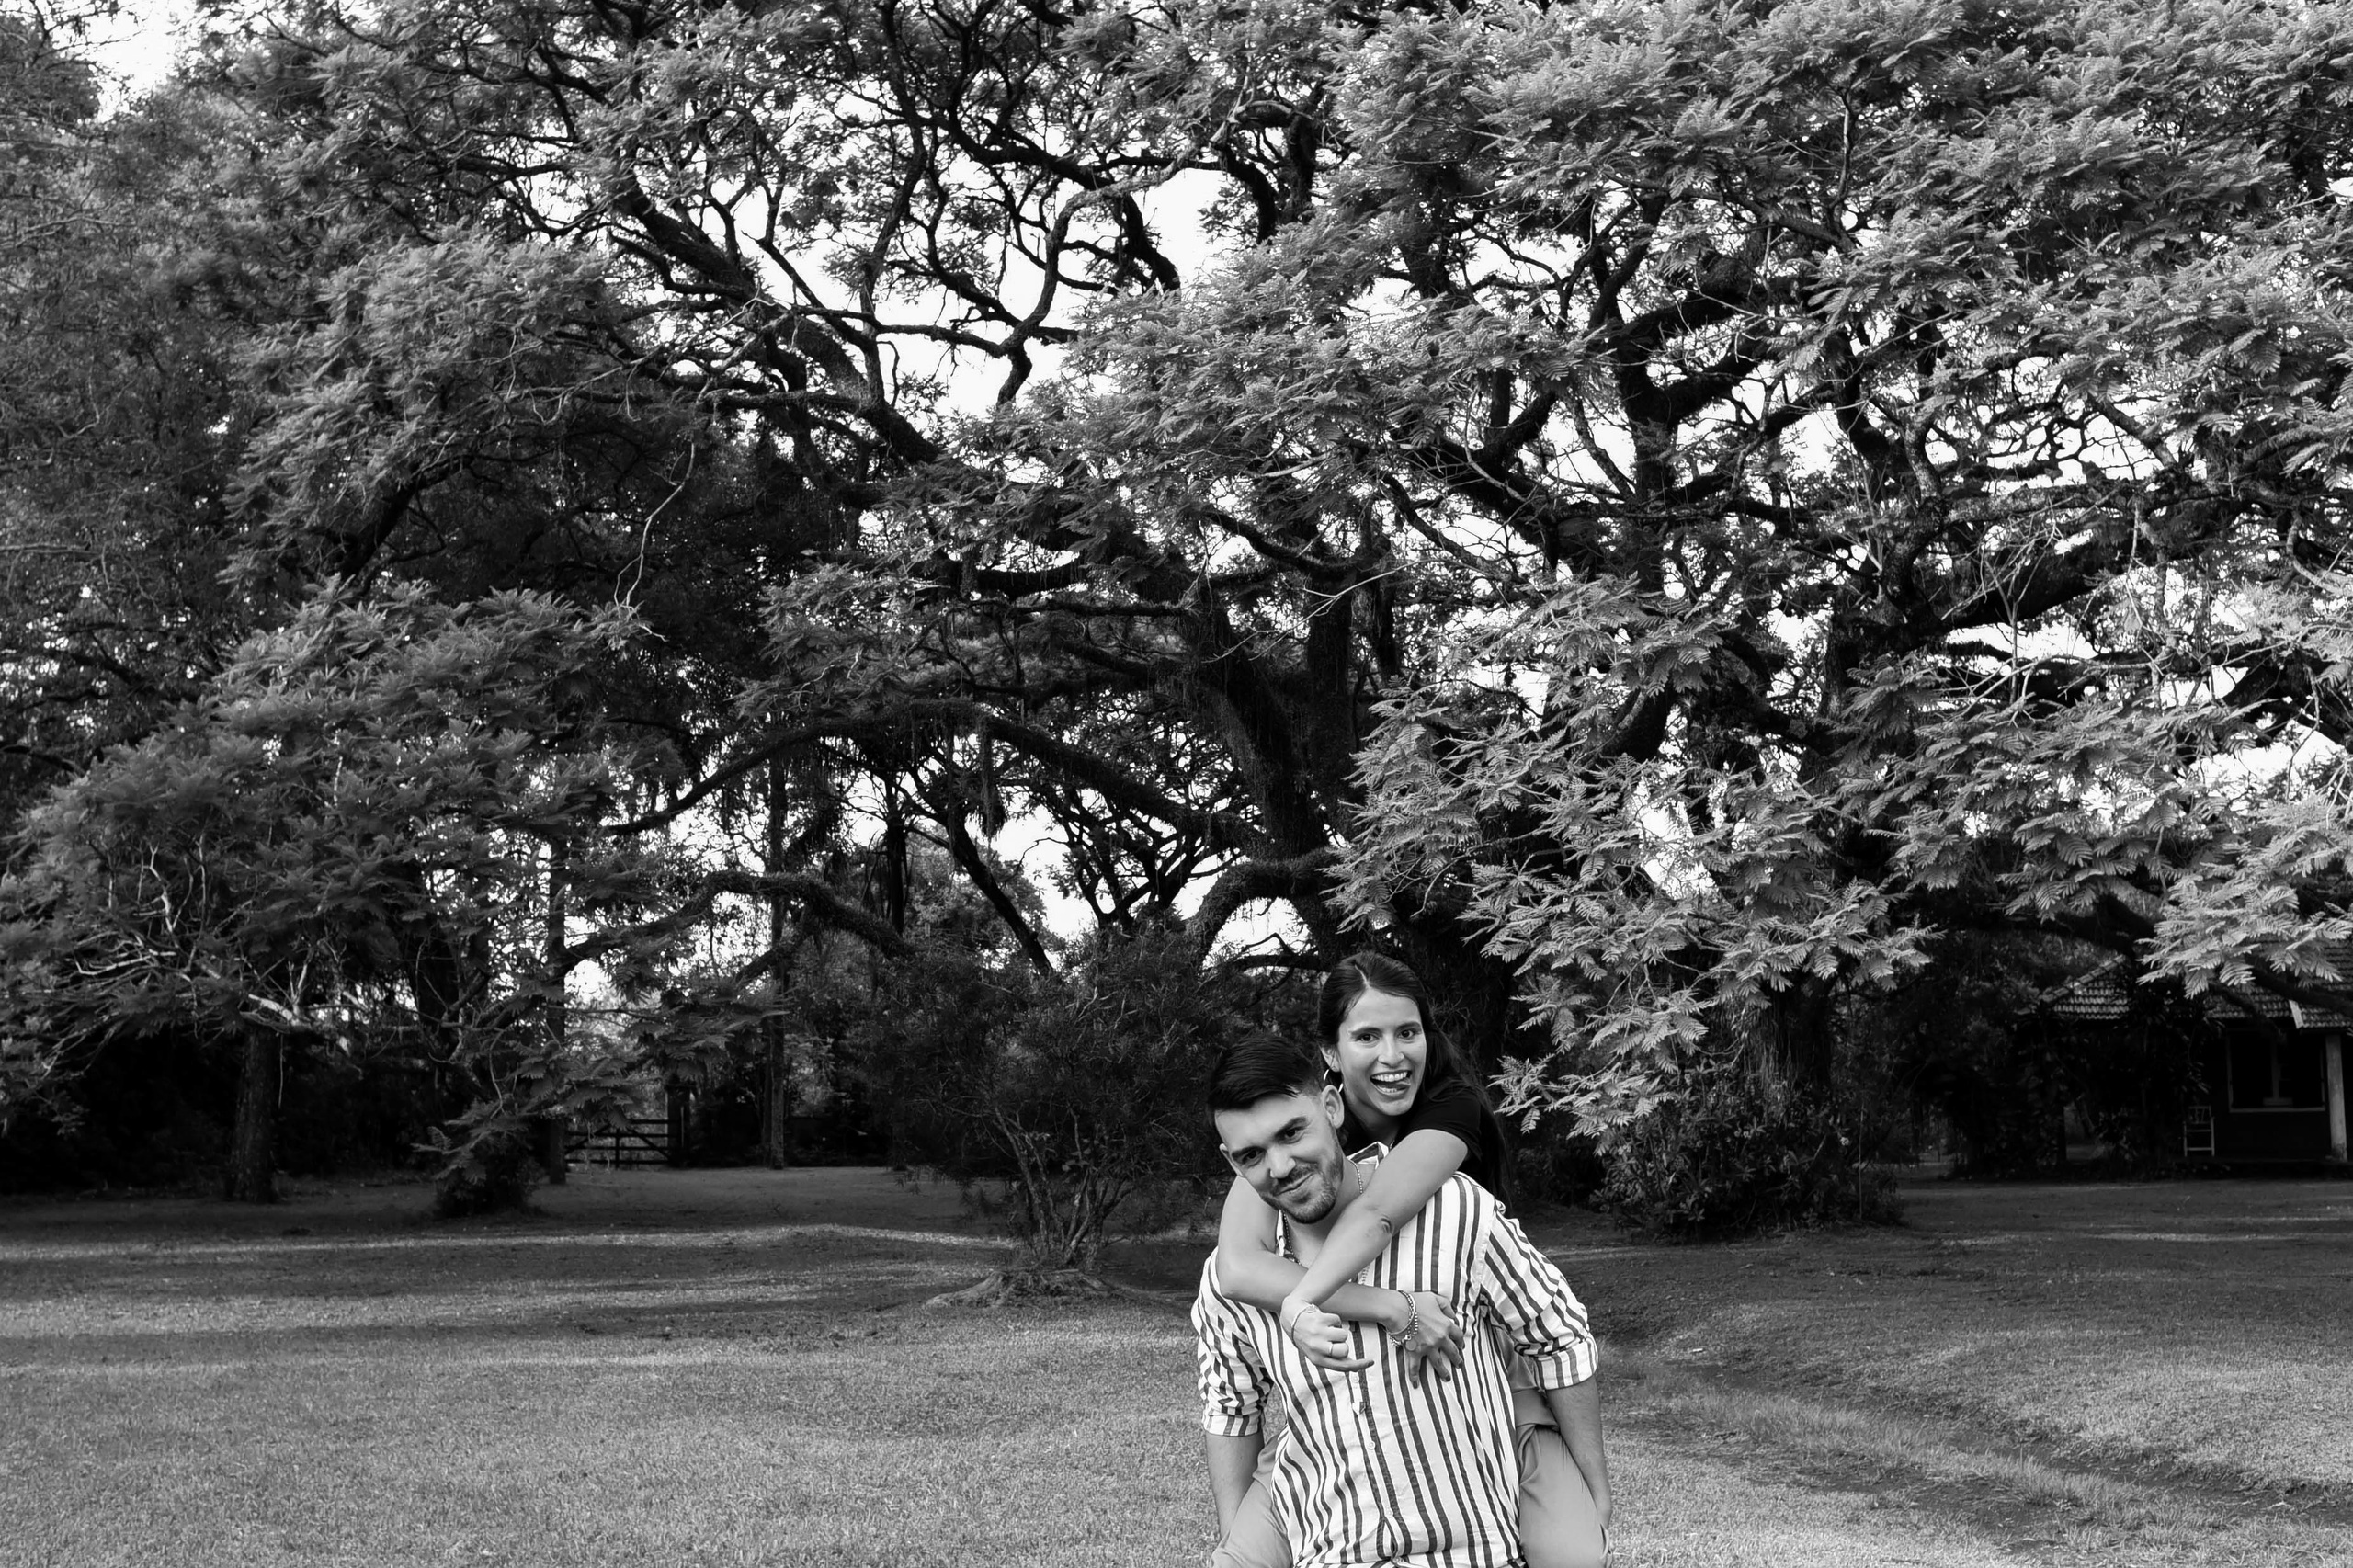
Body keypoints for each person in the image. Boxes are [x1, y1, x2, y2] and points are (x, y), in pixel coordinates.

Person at [1211, 952, 1608, 1568]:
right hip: (1332, 1433)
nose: (1392, 1057)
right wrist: (1391, 1308)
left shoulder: (1448, 1117)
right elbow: (1236, 1267)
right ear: (1331, 1053)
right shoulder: (1286, 1132)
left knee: (1576, 1554)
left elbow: (1376, 1216)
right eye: (1367, 1037)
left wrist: (1301, 1303)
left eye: (1408, 1032)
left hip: (1491, 1384)